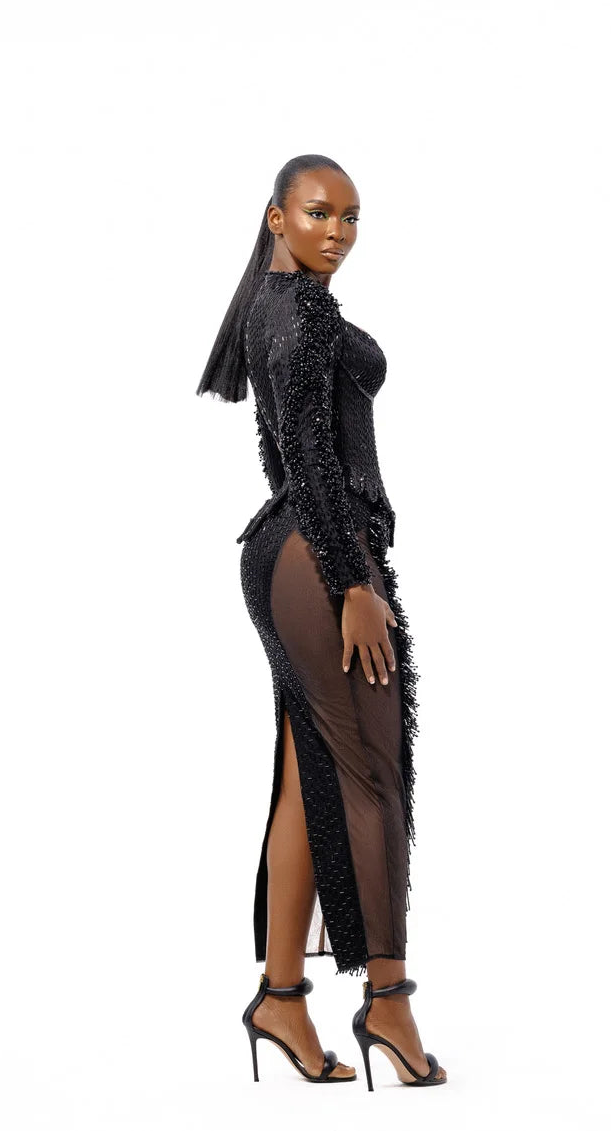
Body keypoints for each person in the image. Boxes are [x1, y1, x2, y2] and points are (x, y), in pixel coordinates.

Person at [197, 154, 447, 1088]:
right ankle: (389, 1002)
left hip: (286, 552)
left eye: (350, 216)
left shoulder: (273, 306)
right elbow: (304, 454)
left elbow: (284, 449)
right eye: (317, 212)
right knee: (373, 773)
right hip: (318, 555)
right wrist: (351, 582)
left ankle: (280, 998)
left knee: (307, 779)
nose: (337, 231)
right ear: (277, 218)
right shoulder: (299, 310)